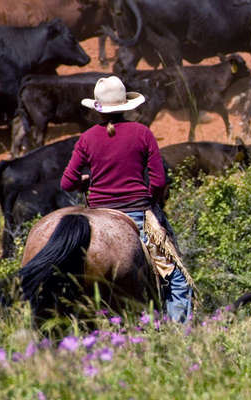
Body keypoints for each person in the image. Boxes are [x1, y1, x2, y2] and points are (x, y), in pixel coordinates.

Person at [60, 76, 192, 323]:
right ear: (126, 106)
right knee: (177, 279)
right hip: (137, 214)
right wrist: (150, 201)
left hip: (97, 215)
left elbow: (67, 183)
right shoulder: (142, 133)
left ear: (98, 110)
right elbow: (159, 181)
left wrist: (88, 182)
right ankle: (179, 335)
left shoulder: (87, 138)